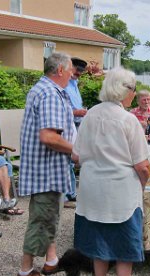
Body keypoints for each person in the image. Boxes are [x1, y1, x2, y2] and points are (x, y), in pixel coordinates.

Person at [72, 67, 150, 276]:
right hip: (121, 194)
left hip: (92, 190)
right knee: (124, 248)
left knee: (100, 245)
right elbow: (143, 166)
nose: (134, 95)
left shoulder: (91, 115)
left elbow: (76, 155)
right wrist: (143, 185)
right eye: (133, 90)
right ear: (125, 90)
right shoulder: (128, 120)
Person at [15, 52, 75, 276]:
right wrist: (77, 150)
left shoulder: (43, 89)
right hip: (46, 171)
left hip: (46, 170)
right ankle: (26, 270)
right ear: (60, 70)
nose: (72, 75)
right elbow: (49, 137)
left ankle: (51, 261)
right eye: (70, 70)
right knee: (41, 221)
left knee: (48, 217)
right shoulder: (50, 93)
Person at [64, 57, 88, 204]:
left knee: (73, 160)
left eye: (80, 73)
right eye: (76, 72)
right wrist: (75, 112)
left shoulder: (74, 84)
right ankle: (68, 193)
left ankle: (71, 192)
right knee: (69, 159)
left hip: (78, 124)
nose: (77, 75)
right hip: (69, 124)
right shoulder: (64, 85)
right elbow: (63, 109)